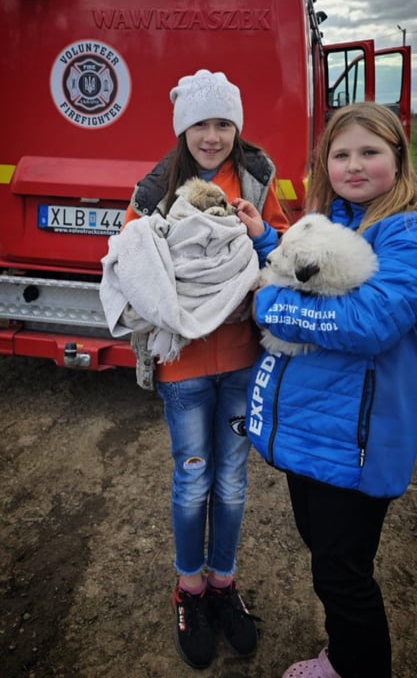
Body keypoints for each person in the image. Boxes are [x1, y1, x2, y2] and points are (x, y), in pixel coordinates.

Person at [120, 69, 289, 669]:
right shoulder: (154, 191)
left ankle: (223, 584)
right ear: (182, 128)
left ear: (236, 127)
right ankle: (189, 590)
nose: (212, 136)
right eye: (201, 124)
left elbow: (286, 254)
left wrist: (260, 230)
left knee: (235, 482)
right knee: (194, 480)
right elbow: (130, 265)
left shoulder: (258, 180)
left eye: (223, 123)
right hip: (184, 368)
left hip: (243, 359)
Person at [245, 101, 417, 678]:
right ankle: (342, 655)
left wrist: (271, 303)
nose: (355, 165)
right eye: (340, 154)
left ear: (399, 157)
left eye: (371, 152)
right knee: (326, 558)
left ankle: (356, 666)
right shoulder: (335, 218)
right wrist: (265, 236)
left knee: (343, 575)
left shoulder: (406, 232)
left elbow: (370, 322)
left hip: (356, 445)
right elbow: (297, 259)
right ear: (324, 164)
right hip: (313, 435)